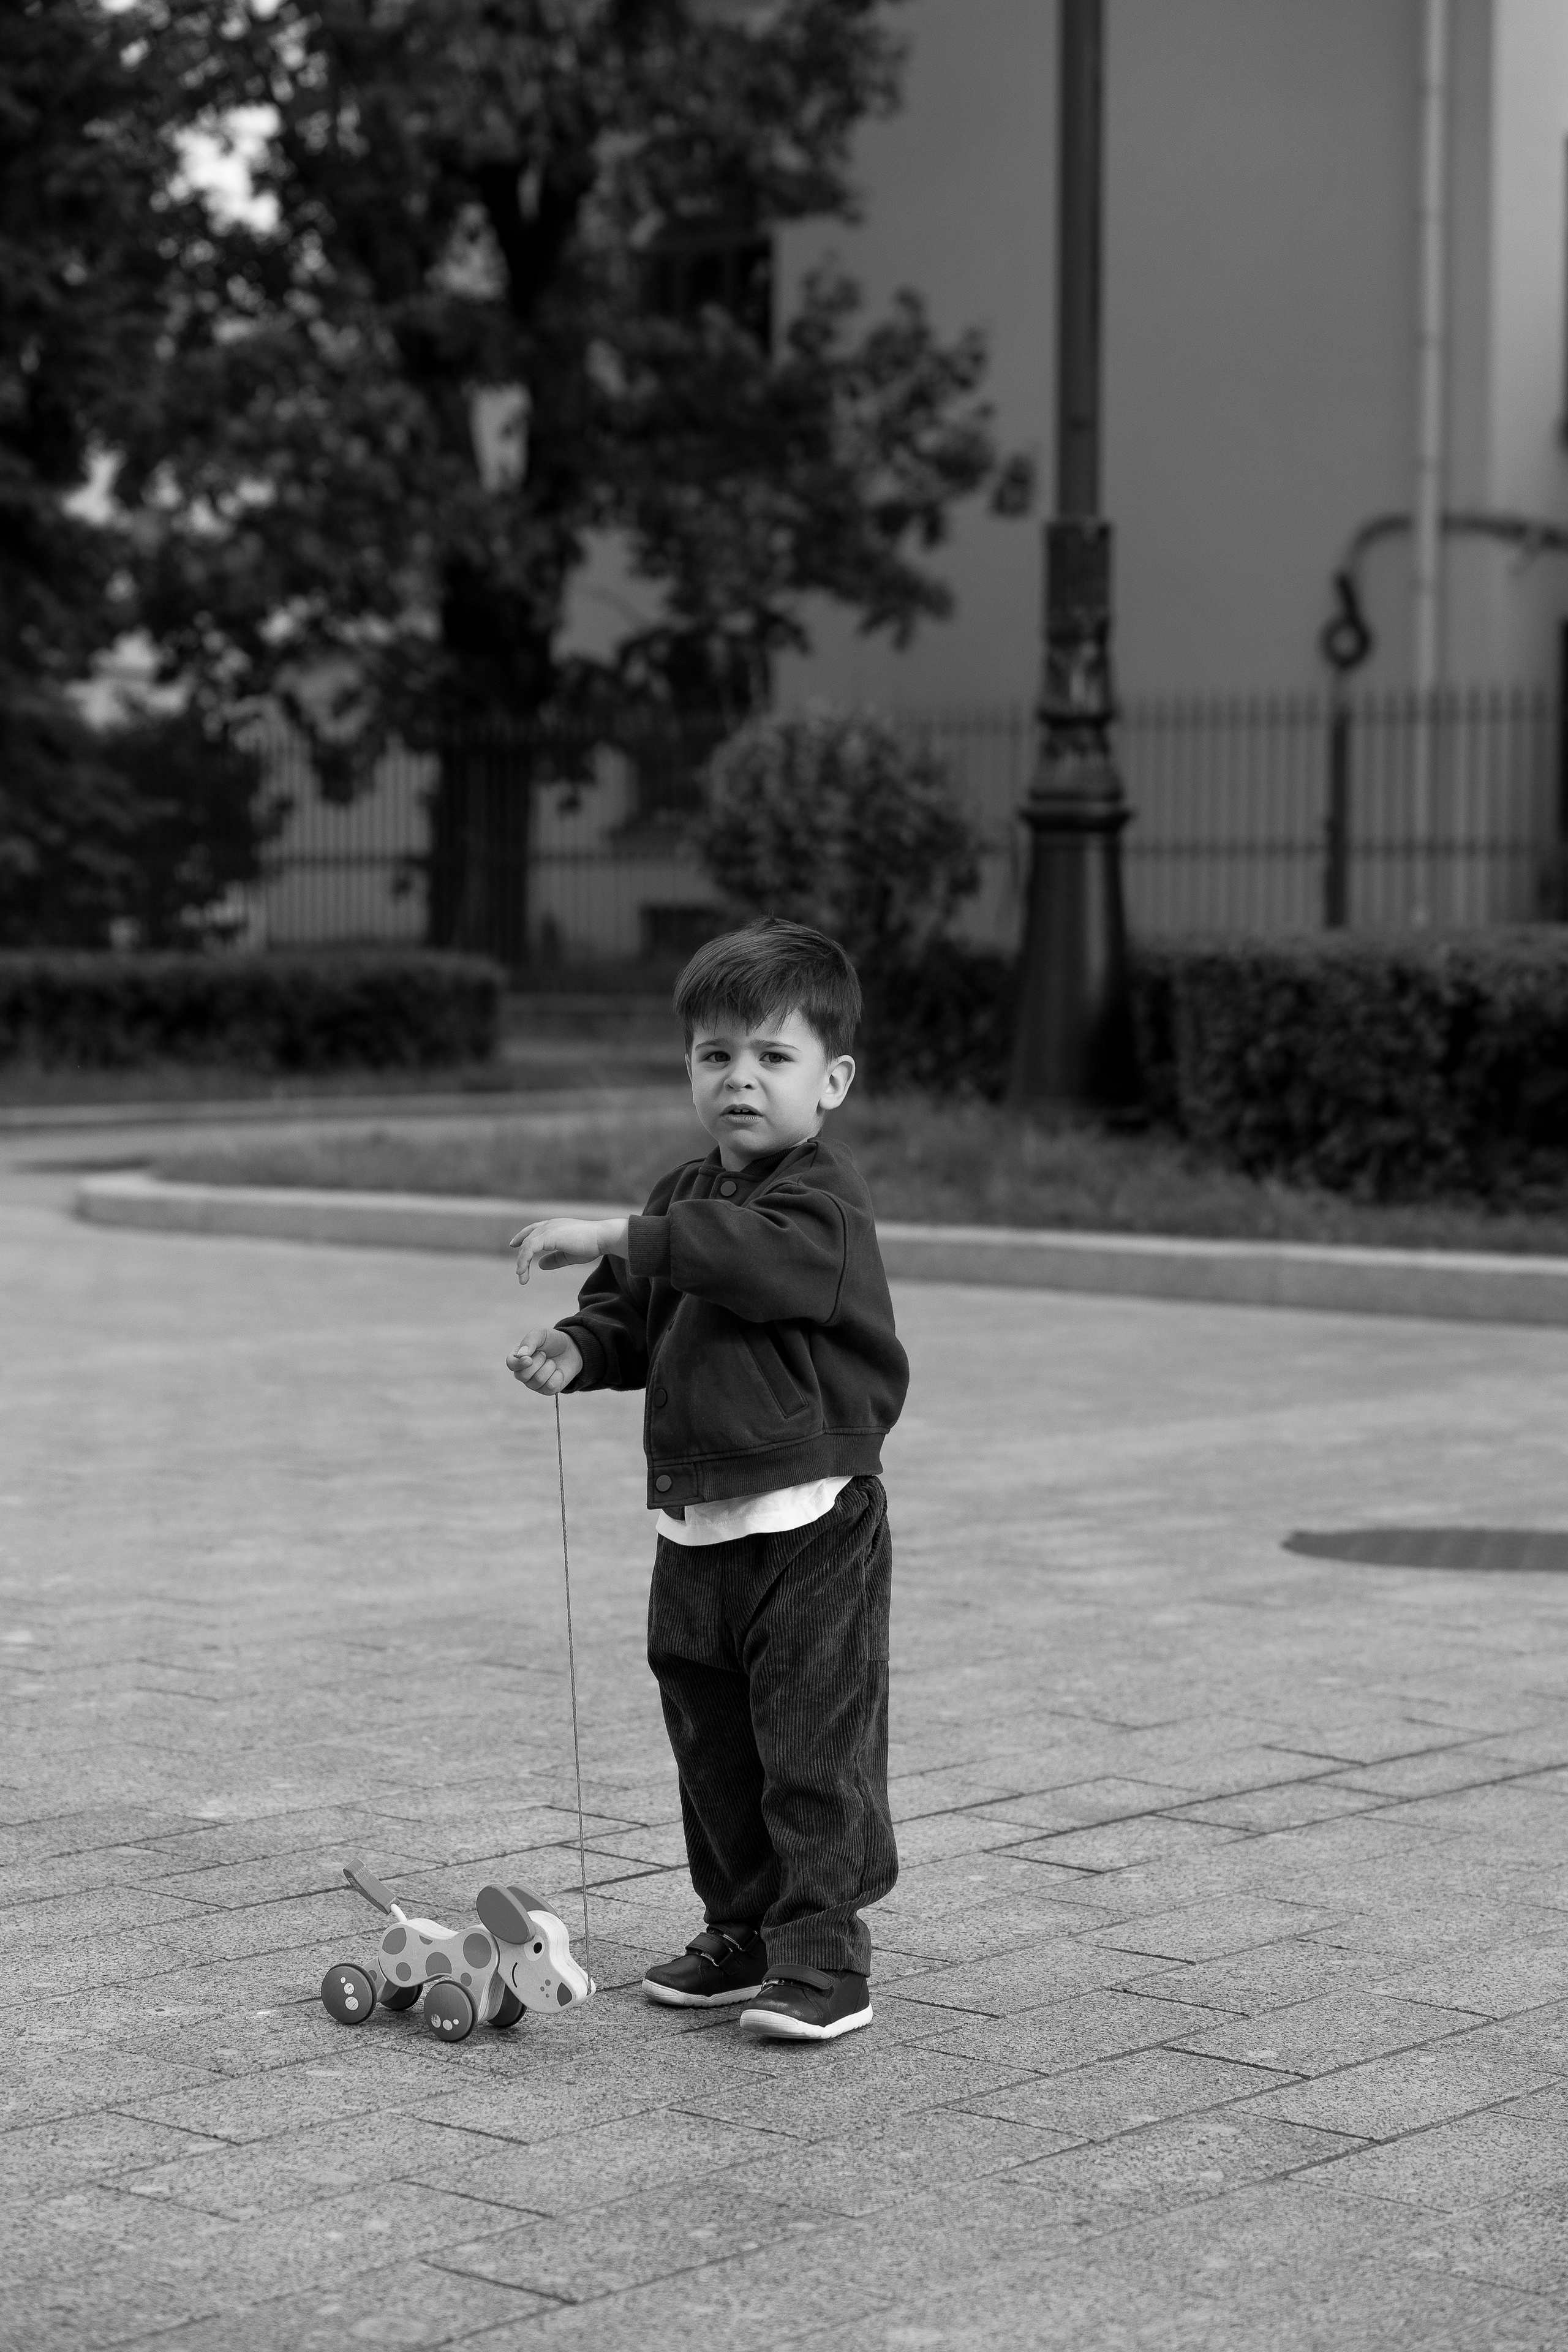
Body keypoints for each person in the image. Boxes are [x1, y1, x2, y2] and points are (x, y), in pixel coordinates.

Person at [507, 917, 908, 2043]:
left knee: (811, 1742)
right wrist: (582, 1349)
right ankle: (741, 1929)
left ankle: (825, 1957)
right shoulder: (683, 1194)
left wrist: (616, 1232)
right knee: (713, 1741)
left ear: (831, 1081)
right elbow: (640, 1313)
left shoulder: (820, 1207)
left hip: (810, 1521)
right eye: (715, 1056)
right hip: (695, 1530)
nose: (740, 1079)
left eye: (772, 1059)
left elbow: (735, 1257)